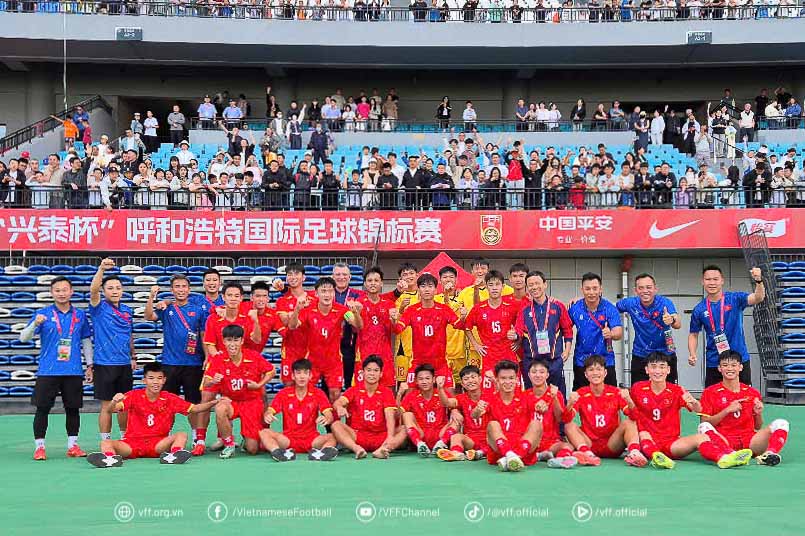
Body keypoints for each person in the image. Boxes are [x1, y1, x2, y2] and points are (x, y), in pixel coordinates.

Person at [629, 353, 753, 470]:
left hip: (671, 443)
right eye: (653, 367)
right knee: (642, 432)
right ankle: (656, 457)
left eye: (662, 367)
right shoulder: (637, 388)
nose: (657, 371)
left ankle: (723, 459)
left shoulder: (676, 390)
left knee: (702, 438)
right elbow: (631, 414)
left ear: (668, 370)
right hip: (646, 441)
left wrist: (694, 402)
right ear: (647, 370)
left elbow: (698, 410)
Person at [86, 363, 219, 468]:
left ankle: (173, 456)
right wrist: (114, 401)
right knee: (105, 442)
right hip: (132, 443)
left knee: (181, 435)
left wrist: (214, 402)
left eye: (159, 378)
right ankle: (110, 459)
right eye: (151, 378)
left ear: (164, 380)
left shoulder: (169, 398)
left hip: (158, 444)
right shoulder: (134, 395)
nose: (155, 382)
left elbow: (195, 409)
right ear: (144, 380)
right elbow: (110, 410)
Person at [20, 276, 92, 460]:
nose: (61, 293)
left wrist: (89, 365)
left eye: (65, 289)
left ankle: (73, 446)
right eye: (57, 290)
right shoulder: (42, 314)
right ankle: (40, 447)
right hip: (48, 371)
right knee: (42, 408)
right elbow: (23, 338)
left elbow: (86, 341)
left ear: (71, 292)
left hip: (73, 370)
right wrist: (35, 324)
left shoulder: (80, 315)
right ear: (52, 293)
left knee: (73, 409)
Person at [144, 275, 209, 454]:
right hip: (170, 364)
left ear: (189, 289)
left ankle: (197, 439)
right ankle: (164, 437)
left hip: (193, 363)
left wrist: (207, 357)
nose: (181, 289)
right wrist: (152, 297)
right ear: (172, 290)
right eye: (177, 286)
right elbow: (148, 316)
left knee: (193, 404)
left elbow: (203, 335)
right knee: (165, 404)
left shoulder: (198, 309)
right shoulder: (167, 308)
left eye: (184, 286)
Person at [700, 352, 790, 466]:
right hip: (725, 439)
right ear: (719, 368)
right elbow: (704, 422)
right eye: (725, 365)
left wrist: (758, 413)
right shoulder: (710, 392)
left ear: (740, 367)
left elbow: (758, 426)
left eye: (733, 365)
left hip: (750, 440)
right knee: (703, 427)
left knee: (782, 423)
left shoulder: (752, 392)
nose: (729, 369)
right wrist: (727, 410)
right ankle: (730, 455)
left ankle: (769, 455)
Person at [288, 277, 363, 402]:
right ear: (316, 293)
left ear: (334, 293)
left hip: (333, 362)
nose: (327, 295)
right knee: (307, 395)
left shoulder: (342, 310)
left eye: (330, 291)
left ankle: (333, 421)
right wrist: (297, 309)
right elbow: (292, 326)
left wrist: (355, 313)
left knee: (335, 394)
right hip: (312, 361)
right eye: (323, 291)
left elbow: (358, 325)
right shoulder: (308, 310)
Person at [391, 273, 468, 393]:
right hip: (418, 364)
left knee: (451, 397)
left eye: (430, 286)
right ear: (418, 289)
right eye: (423, 286)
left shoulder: (444, 309)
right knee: (408, 396)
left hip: (440, 365)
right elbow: (397, 329)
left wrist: (463, 317)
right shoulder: (411, 310)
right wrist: (394, 320)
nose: (427, 289)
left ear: (436, 289)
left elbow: (460, 326)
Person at [688, 265, 765, 387]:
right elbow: (693, 334)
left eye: (715, 279)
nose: (712, 283)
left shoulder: (735, 299)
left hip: (739, 359)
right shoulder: (699, 309)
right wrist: (692, 353)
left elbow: (758, 297)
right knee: (713, 400)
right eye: (708, 279)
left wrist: (758, 281)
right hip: (714, 361)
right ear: (703, 282)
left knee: (744, 399)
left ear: (722, 281)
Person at [564, 354, 646, 467]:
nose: (595, 373)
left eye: (599, 369)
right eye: (591, 370)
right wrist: (569, 404)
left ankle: (635, 453)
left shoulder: (615, 392)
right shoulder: (581, 393)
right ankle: (587, 454)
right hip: (589, 444)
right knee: (569, 426)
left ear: (605, 373)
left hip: (612, 443)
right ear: (586, 375)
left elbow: (634, 416)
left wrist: (628, 399)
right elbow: (566, 419)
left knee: (629, 422)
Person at [89, 258, 135, 442]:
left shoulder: (127, 310)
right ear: (104, 291)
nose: (115, 291)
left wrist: (133, 356)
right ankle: (105, 440)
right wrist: (101, 269)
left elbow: (129, 334)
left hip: (124, 363)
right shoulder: (99, 308)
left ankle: (124, 438)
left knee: (124, 404)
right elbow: (93, 290)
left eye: (118, 288)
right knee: (107, 405)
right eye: (110, 288)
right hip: (105, 364)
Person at [260, 359, 338, 462]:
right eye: (298, 373)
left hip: (311, 439)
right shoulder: (283, 393)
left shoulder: (318, 393)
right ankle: (279, 452)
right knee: (264, 432)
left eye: (305, 373)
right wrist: (268, 415)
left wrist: (326, 418)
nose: (302, 376)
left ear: (310, 376)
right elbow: (269, 411)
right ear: (293, 376)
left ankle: (320, 454)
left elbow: (329, 415)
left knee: (333, 436)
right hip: (288, 440)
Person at [331, 356, 407, 459]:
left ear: (380, 374)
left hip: (381, 437)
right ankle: (357, 449)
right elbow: (338, 402)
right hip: (358, 436)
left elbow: (390, 416)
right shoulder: (354, 390)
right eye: (369, 370)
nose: (372, 373)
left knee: (405, 429)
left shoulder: (386, 392)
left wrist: (390, 437)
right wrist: (340, 407)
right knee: (336, 425)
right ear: (363, 373)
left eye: (376, 370)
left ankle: (384, 449)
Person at [617, 273, 682, 385]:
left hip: (665, 353)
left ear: (655, 289)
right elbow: (610, 307)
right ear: (635, 290)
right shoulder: (630, 303)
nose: (645, 291)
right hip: (641, 354)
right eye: (641, 288)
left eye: (649, 287)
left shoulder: (665, 303)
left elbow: (677, 323)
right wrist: (583, 300)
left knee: (670, 391)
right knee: (638, 391)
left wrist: (671, 319)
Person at [515, 270, 573, 393]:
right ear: (527, 288)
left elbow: (567, 330)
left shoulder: (558, 306)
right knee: (532, 398)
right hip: (532, 362)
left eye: (537, 283)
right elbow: (518, 331)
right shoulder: (524, 310)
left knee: (557, 396)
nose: (534, 287)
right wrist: (514, 335)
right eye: (530, 285)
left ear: (545, 284)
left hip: (554, 360)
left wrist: (567, 350)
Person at [463, 270, 520, 391]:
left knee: (513, 391)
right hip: (489, 356)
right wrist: (476, 345)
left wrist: (518, 340)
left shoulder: (512, 306)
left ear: (503, 287)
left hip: (508, 354)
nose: (494, 288)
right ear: (486, 286)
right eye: (491, 284)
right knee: (489, 393)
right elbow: (467, 327)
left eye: (497, 284)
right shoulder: (479, 308)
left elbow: (521, 327)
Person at [485, 360, 543, 472]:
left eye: (511, 378)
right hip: (498, 450)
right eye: (503, 378)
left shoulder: (526, 397)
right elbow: (475, 414)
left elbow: (541, 408)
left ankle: (513, 457)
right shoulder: (489, 399)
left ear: (517, 380)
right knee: (492, 424)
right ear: (497, 380)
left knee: (536, 424)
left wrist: (542, 405)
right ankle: (510, 455)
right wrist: (477, 410)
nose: (507, 382)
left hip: (523, 448)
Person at [568, 273, 623, 390]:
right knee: (581, 397)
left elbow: (618, 332)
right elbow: (564, 327)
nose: (591, 292)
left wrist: (611, 334)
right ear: (582, 289)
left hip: (605, 361)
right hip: (581, 361)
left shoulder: (609, 308)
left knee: (609, 397)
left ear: (601, 289)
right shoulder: (575, 308)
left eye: (595, 288)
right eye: (587, 289)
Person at [524, 360, 579, 469]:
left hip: (551, 441)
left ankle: (560, 460)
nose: (538, 375)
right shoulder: (523, 396)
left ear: (547, 375)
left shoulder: (556, 394)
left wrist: (553, 398)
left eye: (541, 372)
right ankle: (538, 455)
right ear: (529, 375)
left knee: (567, 446)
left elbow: (560, 419)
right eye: (534, 372)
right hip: (532, 441)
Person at [433, 365, 489, 462]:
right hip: (471, 440)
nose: (470, 381)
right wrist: (440, 389)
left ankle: (481, 453)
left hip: (489, 439)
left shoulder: (490, 396)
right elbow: (446, 403)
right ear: (462, 384)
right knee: (456, 436)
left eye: (473, 377)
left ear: (480, 379)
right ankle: (456, 453)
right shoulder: (461, 398)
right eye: (466, 379)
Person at [399, 364, 454, 457]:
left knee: (457, 415)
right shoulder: (412, 395)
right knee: (406, 414)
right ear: (416, 381)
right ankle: (420, 445)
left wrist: (455, 411)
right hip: (421, 434)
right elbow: (398, 414)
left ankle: (441, 444)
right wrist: (399, 394)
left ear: (433, 380)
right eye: (421, 379)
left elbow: (451, 404)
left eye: (427, 378)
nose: (424, 382)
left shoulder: (442, 392)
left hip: (440, 433)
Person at [355, 267, 396, 389]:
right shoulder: (358, 303)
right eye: (369, 280)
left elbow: (394, 330)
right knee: (362, 390)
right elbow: (355, 327)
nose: (373, 283)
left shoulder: (389, 304)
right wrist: (356, 313)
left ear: (381, 283)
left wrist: (394, 319)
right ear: (365, 283)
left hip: (385, 353)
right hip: (364, 353)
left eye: (376, 280)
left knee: (388, 389)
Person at [275, 264, 316, 385]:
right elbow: (286, 322)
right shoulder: (281, 301)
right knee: (288, 385)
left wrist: (290, 314)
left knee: (309, 387)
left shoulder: (314, 298)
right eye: (289, 274)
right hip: (289, 349)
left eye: (296, 274)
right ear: (286, 278)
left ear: (303, 277)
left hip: (310, 349)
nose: (293, 277)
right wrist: (298, 310)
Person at [202, 282, 260, 359]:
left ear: (241, 298)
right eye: (229, 295)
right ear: (223, 297)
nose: (233, 299)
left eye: (236, 296)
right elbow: (210, 344)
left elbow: (257, 340)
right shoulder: (213, 319)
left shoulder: (248, 317)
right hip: (220, 362)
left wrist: (256, 322)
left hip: (242, 363)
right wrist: (220, 359)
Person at [434, 266, 468, 386]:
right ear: (439, 280)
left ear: (456, 280)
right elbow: (446, 310)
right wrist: (446, 294)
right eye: (445, 277)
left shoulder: (463, 297)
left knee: (463, 382)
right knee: (442, 383)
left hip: (460, 349)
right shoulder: (434, 299)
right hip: (441, 351)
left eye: (451, 277)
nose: (448, 279)